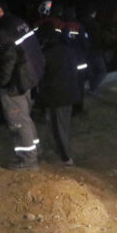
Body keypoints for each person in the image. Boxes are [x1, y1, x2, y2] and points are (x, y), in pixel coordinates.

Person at [0, 0, 45, 170]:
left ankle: (28, 161)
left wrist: (2, 82)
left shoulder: (3, 30)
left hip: (17, 81)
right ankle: (35, 150)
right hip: (31, 76)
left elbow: (8, 58)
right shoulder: (18, 22)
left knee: (17, 119)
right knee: (24, 115)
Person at [36, 21, 79, 165]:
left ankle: (66, 159)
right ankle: (59, 151)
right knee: (63, 126)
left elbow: (40, 76)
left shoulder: (46, 54)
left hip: (56, 97)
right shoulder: (68, 49)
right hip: (70, 94)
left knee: (57, 129)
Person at [62, 5, 90, 115]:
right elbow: (86, 44)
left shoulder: (61, 26)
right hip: (79, 61)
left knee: (68, 85)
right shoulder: (79, 26)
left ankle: (68, 107)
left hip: (66, 63)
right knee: (79, 86)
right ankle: (77, 109)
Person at [81, 3, 107, 95]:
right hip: (95, 52)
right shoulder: (94, 24)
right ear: (94, 13)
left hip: (85, 52)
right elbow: (97, 39)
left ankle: (90, 88)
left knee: (91, 72)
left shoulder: (81, 23)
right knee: (102, 71)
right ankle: (93, 89)